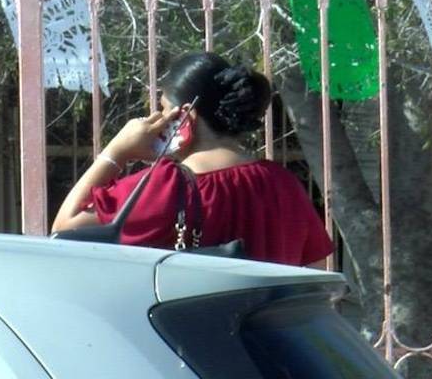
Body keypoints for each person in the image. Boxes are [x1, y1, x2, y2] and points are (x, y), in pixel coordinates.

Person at [51, 52, 334, 268]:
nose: (158, 120)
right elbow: (315, 268)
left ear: (186, 117)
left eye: (164, 109)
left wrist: (117, 151)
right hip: (265, 330)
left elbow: (65, 226)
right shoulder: (283, 184)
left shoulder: (165, 185)